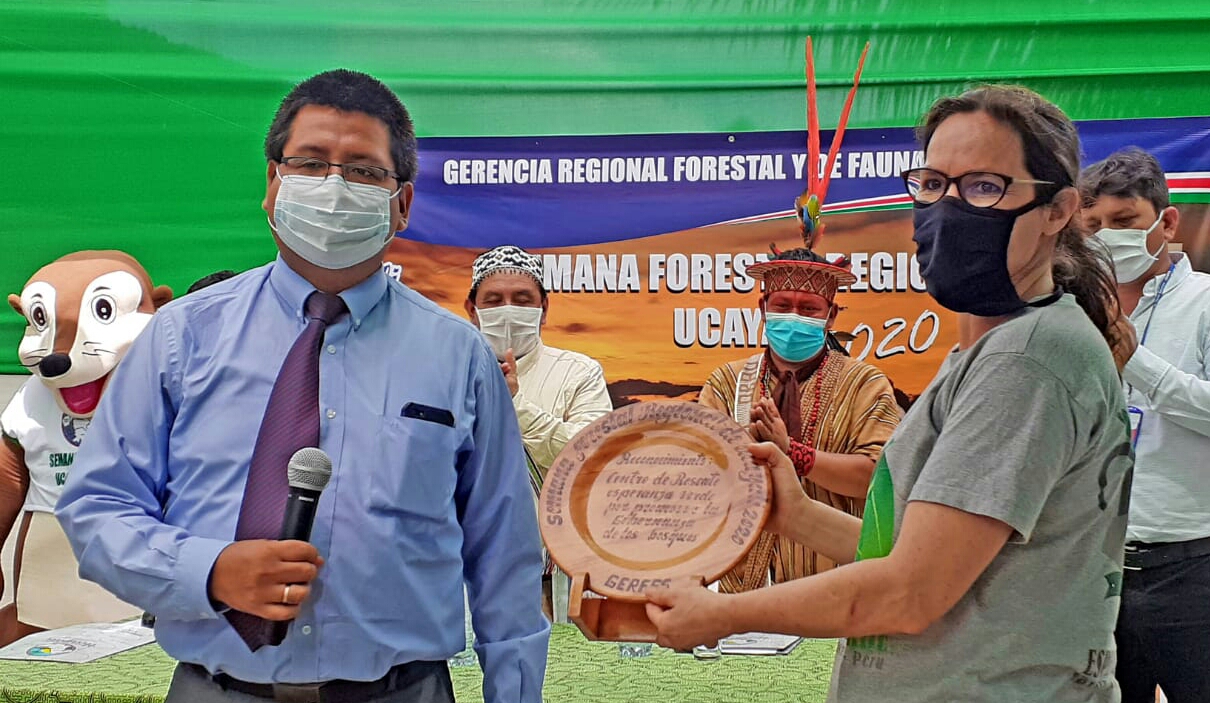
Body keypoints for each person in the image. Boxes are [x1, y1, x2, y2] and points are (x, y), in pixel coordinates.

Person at [55, 69, 548, 703]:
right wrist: (208, 571)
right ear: (272, 184)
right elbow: (97, 508)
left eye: (364, 171)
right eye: (311, 164)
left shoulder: (460, 356)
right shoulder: (181, 337)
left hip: (402, 690)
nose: (334, 188)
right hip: (216, 689)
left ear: (401, 204)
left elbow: (504, 553)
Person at [647, 85, 1133, 702]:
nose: (948, 208)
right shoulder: (988, 353)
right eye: (932, 183)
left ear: (1057, 210)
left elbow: (908, 593)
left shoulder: (1025, 360)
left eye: (984, 186)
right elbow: (911, 552)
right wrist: (793, 514)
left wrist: (722, 615)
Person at [1081, 147, 1210, 703]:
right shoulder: (1075, 315)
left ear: (1168, 222)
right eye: (1093, 227)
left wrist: (1138, 362)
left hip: (1193, 568)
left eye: (1124, 221)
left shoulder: (1204, 303)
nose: (1107, 237)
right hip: (1095, 567)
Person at [698, 248, 900, 590]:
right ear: (763, 309)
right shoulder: (728, 382)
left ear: (831, 316)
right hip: (739, 587)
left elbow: (875, 477)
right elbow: (701, 475)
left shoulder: (865, 384)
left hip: (836, 585)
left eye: (808, 309)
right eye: (782, 306)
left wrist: (793, 454)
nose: (794, 317)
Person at [463, 244, 613, 616]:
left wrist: (514, 404)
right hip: (460, 572)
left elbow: (592, 460)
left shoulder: (578, 372)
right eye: (493, 300)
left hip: (556, 578)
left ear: (544, 309)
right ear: (471, 309)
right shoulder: (444, 371)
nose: (508, 310)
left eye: (522, 300)